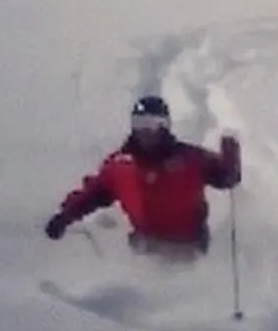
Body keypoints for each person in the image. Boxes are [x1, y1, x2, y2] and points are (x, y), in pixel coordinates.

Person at [44, 95, 241, 257]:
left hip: (190, 245)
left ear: (165, 126)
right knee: (148, 284)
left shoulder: (189, 158)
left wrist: (230, 156)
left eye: (152, 124)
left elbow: (225, 177)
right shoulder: (121, 164)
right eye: (139, 123)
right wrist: (65, 216)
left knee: (182, 289)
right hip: (146, 245)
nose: (145, 131)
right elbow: (92, 194)